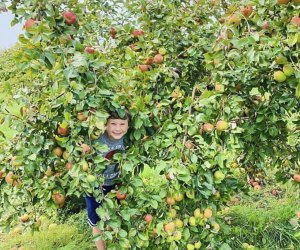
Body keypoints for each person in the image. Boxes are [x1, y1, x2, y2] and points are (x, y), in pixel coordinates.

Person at [85, 110, 130, 250]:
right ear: (105, 124)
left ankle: (117, 241)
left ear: (129, 126)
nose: (118, 128)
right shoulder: (97, 139)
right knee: (96, 221)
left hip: (116, 185)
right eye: (113, 123)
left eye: (122, 124)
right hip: (95, 186)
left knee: (116, 215)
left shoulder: (128, 139)